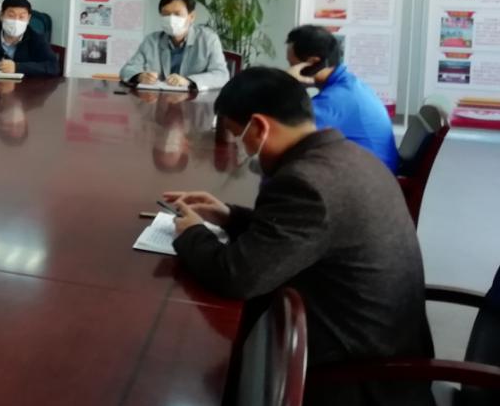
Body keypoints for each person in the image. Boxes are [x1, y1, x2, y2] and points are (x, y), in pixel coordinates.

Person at [165, 67, 431, 370]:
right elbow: (304, 234)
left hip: (353, 376)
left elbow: (236, 277)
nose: (241, 148)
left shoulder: (304, 183)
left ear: (259, 128)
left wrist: (191, 232)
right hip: (381, 347)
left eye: (238, 136)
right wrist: (230, 216)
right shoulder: (350, 156)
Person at [286, 24, 399, 173]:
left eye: (292, 65)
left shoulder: (335, 100)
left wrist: (288, 86)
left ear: (312, 63)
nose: (290, 70)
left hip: (368, 181)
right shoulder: (350, 85)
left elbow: (287, 134)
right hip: (374, 175)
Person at [120, 0, 229, 89]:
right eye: (166, 14)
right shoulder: (151, 41)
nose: (171, 19)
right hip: (157, 100)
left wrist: (188, 81)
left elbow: (221, 75)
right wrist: (139, 76)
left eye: (177, 14)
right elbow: (126, 70)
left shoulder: (208, 40)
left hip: (193, 101)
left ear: (191, 17)